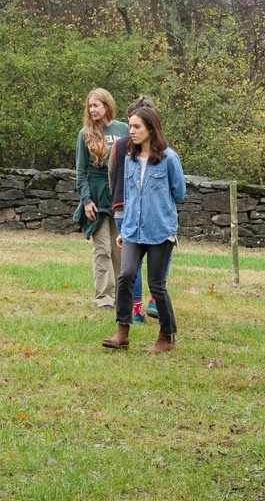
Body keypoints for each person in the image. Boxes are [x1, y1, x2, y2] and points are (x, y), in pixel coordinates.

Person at [102, 106, 186, 353]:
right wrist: (124, 229)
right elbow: (128, 194)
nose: (132, 131)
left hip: (160, 229)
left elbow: (179, 193)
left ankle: (167, 336)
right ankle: (122, 332)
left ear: (151, 128)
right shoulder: (128, 157)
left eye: (137, 126)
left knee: (156, 284)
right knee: (126, 275)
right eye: (130, 126)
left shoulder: (169, 158)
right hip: (132, 229)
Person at [73, 89, 129, 309]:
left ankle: (121, 297)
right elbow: (81, 171)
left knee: (120, 249)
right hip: (96, 198)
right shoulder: (85, 133)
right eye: (90, 106)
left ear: (107, 105)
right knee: (102, 248)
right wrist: (86, 200)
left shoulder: (123, 129)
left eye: (96, 105)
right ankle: (103, 297)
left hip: (120, 196)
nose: (92, 109)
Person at [109, 96, 161, 322]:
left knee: (132, 264)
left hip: (123, 208)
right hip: (144, 210)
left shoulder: (119, 145)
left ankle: (137, 309)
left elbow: (112, 175)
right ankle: (153, 302)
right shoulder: (161, 149)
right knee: (157, 259)